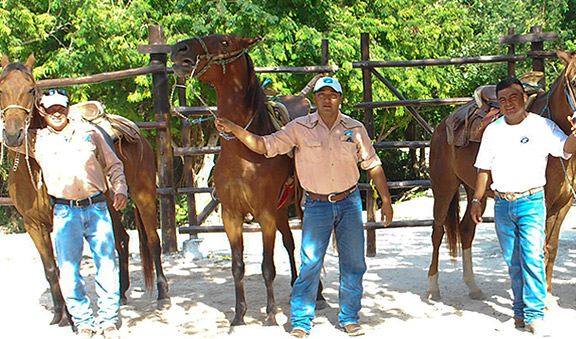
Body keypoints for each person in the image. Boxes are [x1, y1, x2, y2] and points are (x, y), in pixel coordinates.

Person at [214, 76, 394, 337]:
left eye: (332, 95)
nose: (327, 100)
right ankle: (301, 320)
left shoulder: (355, 129)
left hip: (349, 202)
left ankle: (349, 316)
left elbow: (373, 164)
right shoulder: (299, 128)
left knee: (354, 263)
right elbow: (266, 146)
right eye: (322, 95)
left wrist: (385, 199)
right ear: (316, 100)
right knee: (310, 264)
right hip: (316, 204)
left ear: (340, 99)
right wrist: (235, 129)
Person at [12, 89, 128, 339]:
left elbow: (113, 163)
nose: (56, 112)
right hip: (65, 212)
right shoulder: (34, 140)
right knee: (68, 269)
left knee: (106, 265)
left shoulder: (90, 132)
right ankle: (83, 321)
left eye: (60, 107)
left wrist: (120, 187)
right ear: (41, 112)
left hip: (97, 207)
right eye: (50, 108)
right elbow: (8, 133)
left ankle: (108, 320)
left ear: (67, 108)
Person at [470, 77, 576, 334]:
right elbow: (484, 168)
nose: (508, 103)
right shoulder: (493, 130)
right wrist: (476, 199)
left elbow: (565, 148)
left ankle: (534, 315)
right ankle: (519, 311)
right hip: (503, 206)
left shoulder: (542, 126)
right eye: (503, 99)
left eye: (514, 97)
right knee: (514, 262)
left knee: (532, 258)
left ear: (523, 98)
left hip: (531, 202)